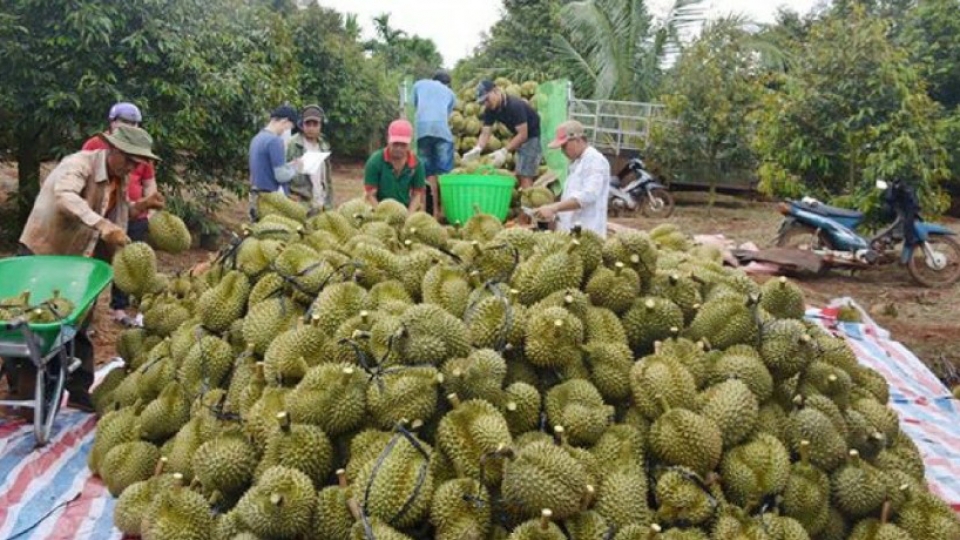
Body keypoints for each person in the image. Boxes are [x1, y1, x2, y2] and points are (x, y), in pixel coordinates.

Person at [10, 125, 164, 413]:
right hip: (44, 251)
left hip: (75, 260)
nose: (132, 168)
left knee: (79, 321)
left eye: (137, 163)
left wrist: (143, 204)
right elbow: (65, 196)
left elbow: (116, 213)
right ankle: (25, 391)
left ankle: (79, 390)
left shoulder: (118, 178)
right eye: (129, 161)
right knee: (33, 325)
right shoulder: (78, 163)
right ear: (114, 150)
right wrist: (103, 226)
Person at [82, 102, 157, 326]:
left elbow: (149, 182)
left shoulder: (141, 150)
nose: (129, 127)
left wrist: (148, 209)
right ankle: (85, 314)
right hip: (100, 215)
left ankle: (120, 308)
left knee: (126, 264)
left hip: (132, 214)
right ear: (112, 122)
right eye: (124, 122)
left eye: (134, 124)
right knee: (90, 264)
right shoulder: (95, 145)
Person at [534, 120, 610, 238]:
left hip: (588, 235)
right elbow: (571, 196)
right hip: (572, 232)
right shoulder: (577, 163)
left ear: (578, 140)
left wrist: (554, 207)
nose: (562, 151)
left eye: (564, 146)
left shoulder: (595, 161)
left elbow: (588, 196)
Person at [465, 80, 542, 190]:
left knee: (526, 173)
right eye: (483, 102)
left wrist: (504, 151)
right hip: (518, 135)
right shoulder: (490, 109)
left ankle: (529, 204)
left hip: (532, 136)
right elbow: (486, 131)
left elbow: (523, 135)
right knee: (520, 172)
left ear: (496, 91)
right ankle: (525, 197)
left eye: (487, 99)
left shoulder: (514, 105)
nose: (486, 104)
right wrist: (478, 147)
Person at [412, 70, 456, 218]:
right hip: (442, 132)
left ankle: (428, 211)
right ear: (447, 84)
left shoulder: (418, 84)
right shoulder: (450, 93)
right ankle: (443, 212)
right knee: (444, 174)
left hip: (421, 131)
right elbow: (445, 116)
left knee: (427, 173)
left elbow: (413, 107)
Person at [248, 105, 301, 219]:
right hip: (271, 200)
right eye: (288, 128)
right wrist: (296, 169)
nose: (286, 132)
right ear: (284, 121)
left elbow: (266, 166)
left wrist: (289, 165)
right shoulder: (275, 141)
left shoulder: (257, 138)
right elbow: (281, 176)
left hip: (256, 197)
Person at [363, 119, 426, 212]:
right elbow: (370, 195)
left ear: (409, 143)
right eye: (395, 144)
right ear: (388, 139)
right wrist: (381, 215)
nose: (399, 148)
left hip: (404, 209)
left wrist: (409, 216)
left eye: (403, 144)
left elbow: (417, 195)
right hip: (377, 208)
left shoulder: (416, 164)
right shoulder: (375, 162)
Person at [285, 104, 333, 210]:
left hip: (320, 202)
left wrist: (329, 204)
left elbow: (327, 178)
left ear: (321, 125)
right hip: (300, 205)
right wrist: (287, 195)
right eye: (308, 124)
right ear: (302, 124)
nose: (311, 128)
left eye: (315, 124)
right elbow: (281, 172)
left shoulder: (324, 145)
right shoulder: (292, 145)